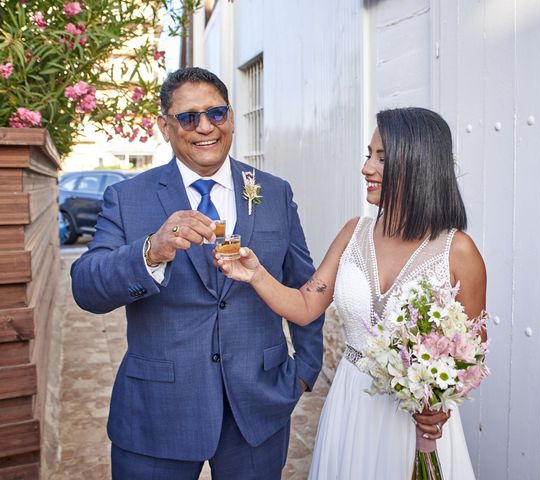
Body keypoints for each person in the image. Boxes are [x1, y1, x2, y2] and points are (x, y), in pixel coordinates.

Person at [70, 67, 324, 480]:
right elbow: (86, 286)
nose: (204, 127)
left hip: (257, 410)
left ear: (232, 118)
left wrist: (305, 371)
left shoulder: (274, 191)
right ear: (164, 126)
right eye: (188, 117)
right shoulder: (127, 197)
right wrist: (152, 249)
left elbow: (304, 283)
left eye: (216, 113)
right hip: (158, 413)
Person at [218, 107, 486, 479]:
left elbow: (472, 352)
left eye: (381, 158)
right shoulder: (353, 233)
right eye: (368, 155)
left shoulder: (458, 251)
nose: (367, 168)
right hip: (352, 401)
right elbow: (308, 305)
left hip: (413, 418)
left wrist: (439, 402)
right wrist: (256, 275)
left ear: (419, 164)